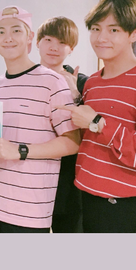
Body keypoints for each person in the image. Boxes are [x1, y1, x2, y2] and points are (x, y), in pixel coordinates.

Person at [59, 0, 136, 233]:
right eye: (95, 29)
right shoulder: (92, 82)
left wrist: (98, 123)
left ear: (134, 33)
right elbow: (90, 139)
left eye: (113, 30)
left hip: (122, 206)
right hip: (87, 196)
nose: (101, 38)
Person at [0, 6, 80, 233]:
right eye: (1, 32)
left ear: (30, 37)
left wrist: (20, 150)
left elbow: (72, 142)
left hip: (28, 211)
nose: (8, 38)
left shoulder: (53, 82)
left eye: (16, 30)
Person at [36, 16, 89, 233]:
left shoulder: (83, 82)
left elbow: (91, 130)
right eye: (48, 40)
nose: (54, 47)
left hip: (68, 175)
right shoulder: (25, 78)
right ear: (37, 42)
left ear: (71, 48)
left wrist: (75, 94)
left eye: (62, 42)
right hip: (32, 171)